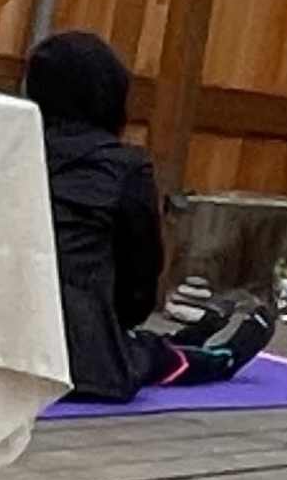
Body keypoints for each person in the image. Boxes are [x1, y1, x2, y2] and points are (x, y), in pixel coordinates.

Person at [20, 28, 273, 402]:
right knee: (142, 356)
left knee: (119, 341)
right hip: (73, 359)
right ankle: (225, 354)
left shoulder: (4, 150)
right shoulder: (124, 169)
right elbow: (140, 277)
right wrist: (113, 325)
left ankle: (169, 338)